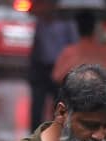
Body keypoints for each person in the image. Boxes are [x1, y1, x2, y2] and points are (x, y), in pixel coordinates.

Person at [27, 2, 77, 130]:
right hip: (41, 69)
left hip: (59, 69)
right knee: (37, 106)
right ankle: (35, 137)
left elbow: (72, 45)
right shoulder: (41, 22)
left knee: (58, 106)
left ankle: (56, 135)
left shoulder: (66, 22)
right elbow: (36, 45)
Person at [50, 10, 106, 86]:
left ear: (78, 29)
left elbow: (56, 76)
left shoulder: (69, 52)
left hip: (74, 95)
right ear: (93, 28)